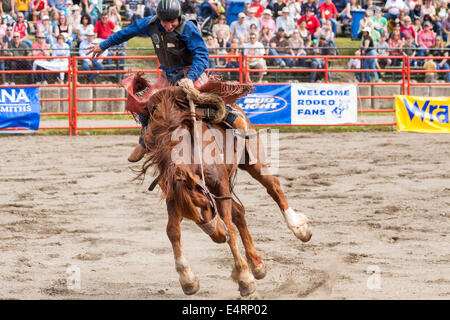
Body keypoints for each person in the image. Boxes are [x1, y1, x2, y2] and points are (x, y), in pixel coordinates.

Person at [87, 0, 210, 162]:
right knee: (143, 102)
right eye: (166, 22)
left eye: (173, 21)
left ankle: (232, 131)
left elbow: (202, 55)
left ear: (179, 17)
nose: (169, 26)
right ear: (160, 19)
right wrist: (104, 45)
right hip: (168, 77)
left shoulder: (188, 27)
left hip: (190, 74)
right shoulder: (150, 24)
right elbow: (127, 32)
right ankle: (147, 137)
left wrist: (190, 77)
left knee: (211, 103)